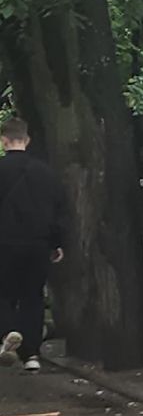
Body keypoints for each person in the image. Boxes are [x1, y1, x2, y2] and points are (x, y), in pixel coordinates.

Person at [0, 118, 67, 373]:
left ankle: (8, 334)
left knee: (3, 294)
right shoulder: (46, 174)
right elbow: (59, 210)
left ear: (4, 140)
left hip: (4, 243)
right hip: (38, 244)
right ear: (27, 140)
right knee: (33, 296)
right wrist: (56, 243)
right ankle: (32, 355)